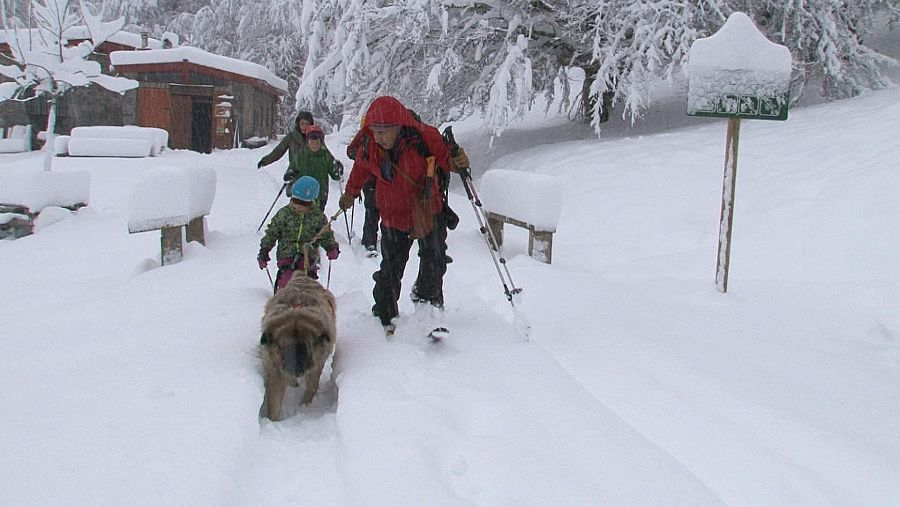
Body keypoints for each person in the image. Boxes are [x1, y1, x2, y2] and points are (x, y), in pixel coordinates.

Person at [338, 96, 465, 332]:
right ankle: (385, 314)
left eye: (384, 131)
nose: (379, 137)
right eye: (375, 130)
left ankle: (428, 307)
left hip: (428, 210)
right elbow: (360, 170)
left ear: (398, 126)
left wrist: (457, 161)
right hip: (393, 215)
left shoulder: (424, 136)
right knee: (391, 268)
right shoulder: (369, 145)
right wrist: (350, 194)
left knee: (434, 260)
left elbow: (447, 159)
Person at [258, 176, 340, 292]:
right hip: (286, 255)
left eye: (303, 203)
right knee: (287, 280)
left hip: (308, 257)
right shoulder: (284, 214)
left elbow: (326, 235)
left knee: (307, 282)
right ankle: (285, 299)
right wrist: (264, 250)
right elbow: (272, 233)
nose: (298, 206)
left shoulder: (317, 217)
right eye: (295, 201)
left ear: (311, 201)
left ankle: (308, 303)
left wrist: (331, 247)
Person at [257, 111, 313, 196]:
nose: (304, 126)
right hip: (294, 174)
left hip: (312, 175)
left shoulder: (315, 138)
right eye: (302, 123)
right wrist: (265, 161)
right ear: (298, 124)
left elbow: (325, 155)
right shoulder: (291, 137)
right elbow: (278, 151)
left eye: (307, 124)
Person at [286, 125, 342, 211]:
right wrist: (290, 173)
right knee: (299, 216)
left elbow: (335, 176)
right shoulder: (301, 155)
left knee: (316, 219)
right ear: (307, 141)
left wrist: (337, 169)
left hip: (319, 195)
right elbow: (293, 168)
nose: (314, 145)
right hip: (301, 193)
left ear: (321, 143)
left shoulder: (326, 156)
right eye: (312, 142)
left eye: (317, 143)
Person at [346, 124, 379, 254]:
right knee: (373, 209)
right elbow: (350, 151)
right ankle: (370, 242)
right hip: (371, 179)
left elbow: (350, 151)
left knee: (373, 210)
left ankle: (370, 241)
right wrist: (361, 155)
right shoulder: (366, 134)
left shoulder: (365, 133)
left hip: (372, 180)